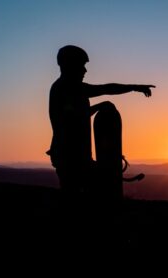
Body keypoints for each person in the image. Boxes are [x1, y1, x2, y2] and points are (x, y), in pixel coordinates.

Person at [47, 45, 154, 198]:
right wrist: (134, 87)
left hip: (74, 157)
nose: (85, 70)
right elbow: (104, 89)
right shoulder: (66, 88)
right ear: (70, 65)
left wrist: (101, 106)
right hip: (71, 160)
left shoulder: (68, 89)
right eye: (81, 65)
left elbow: (76, 117)